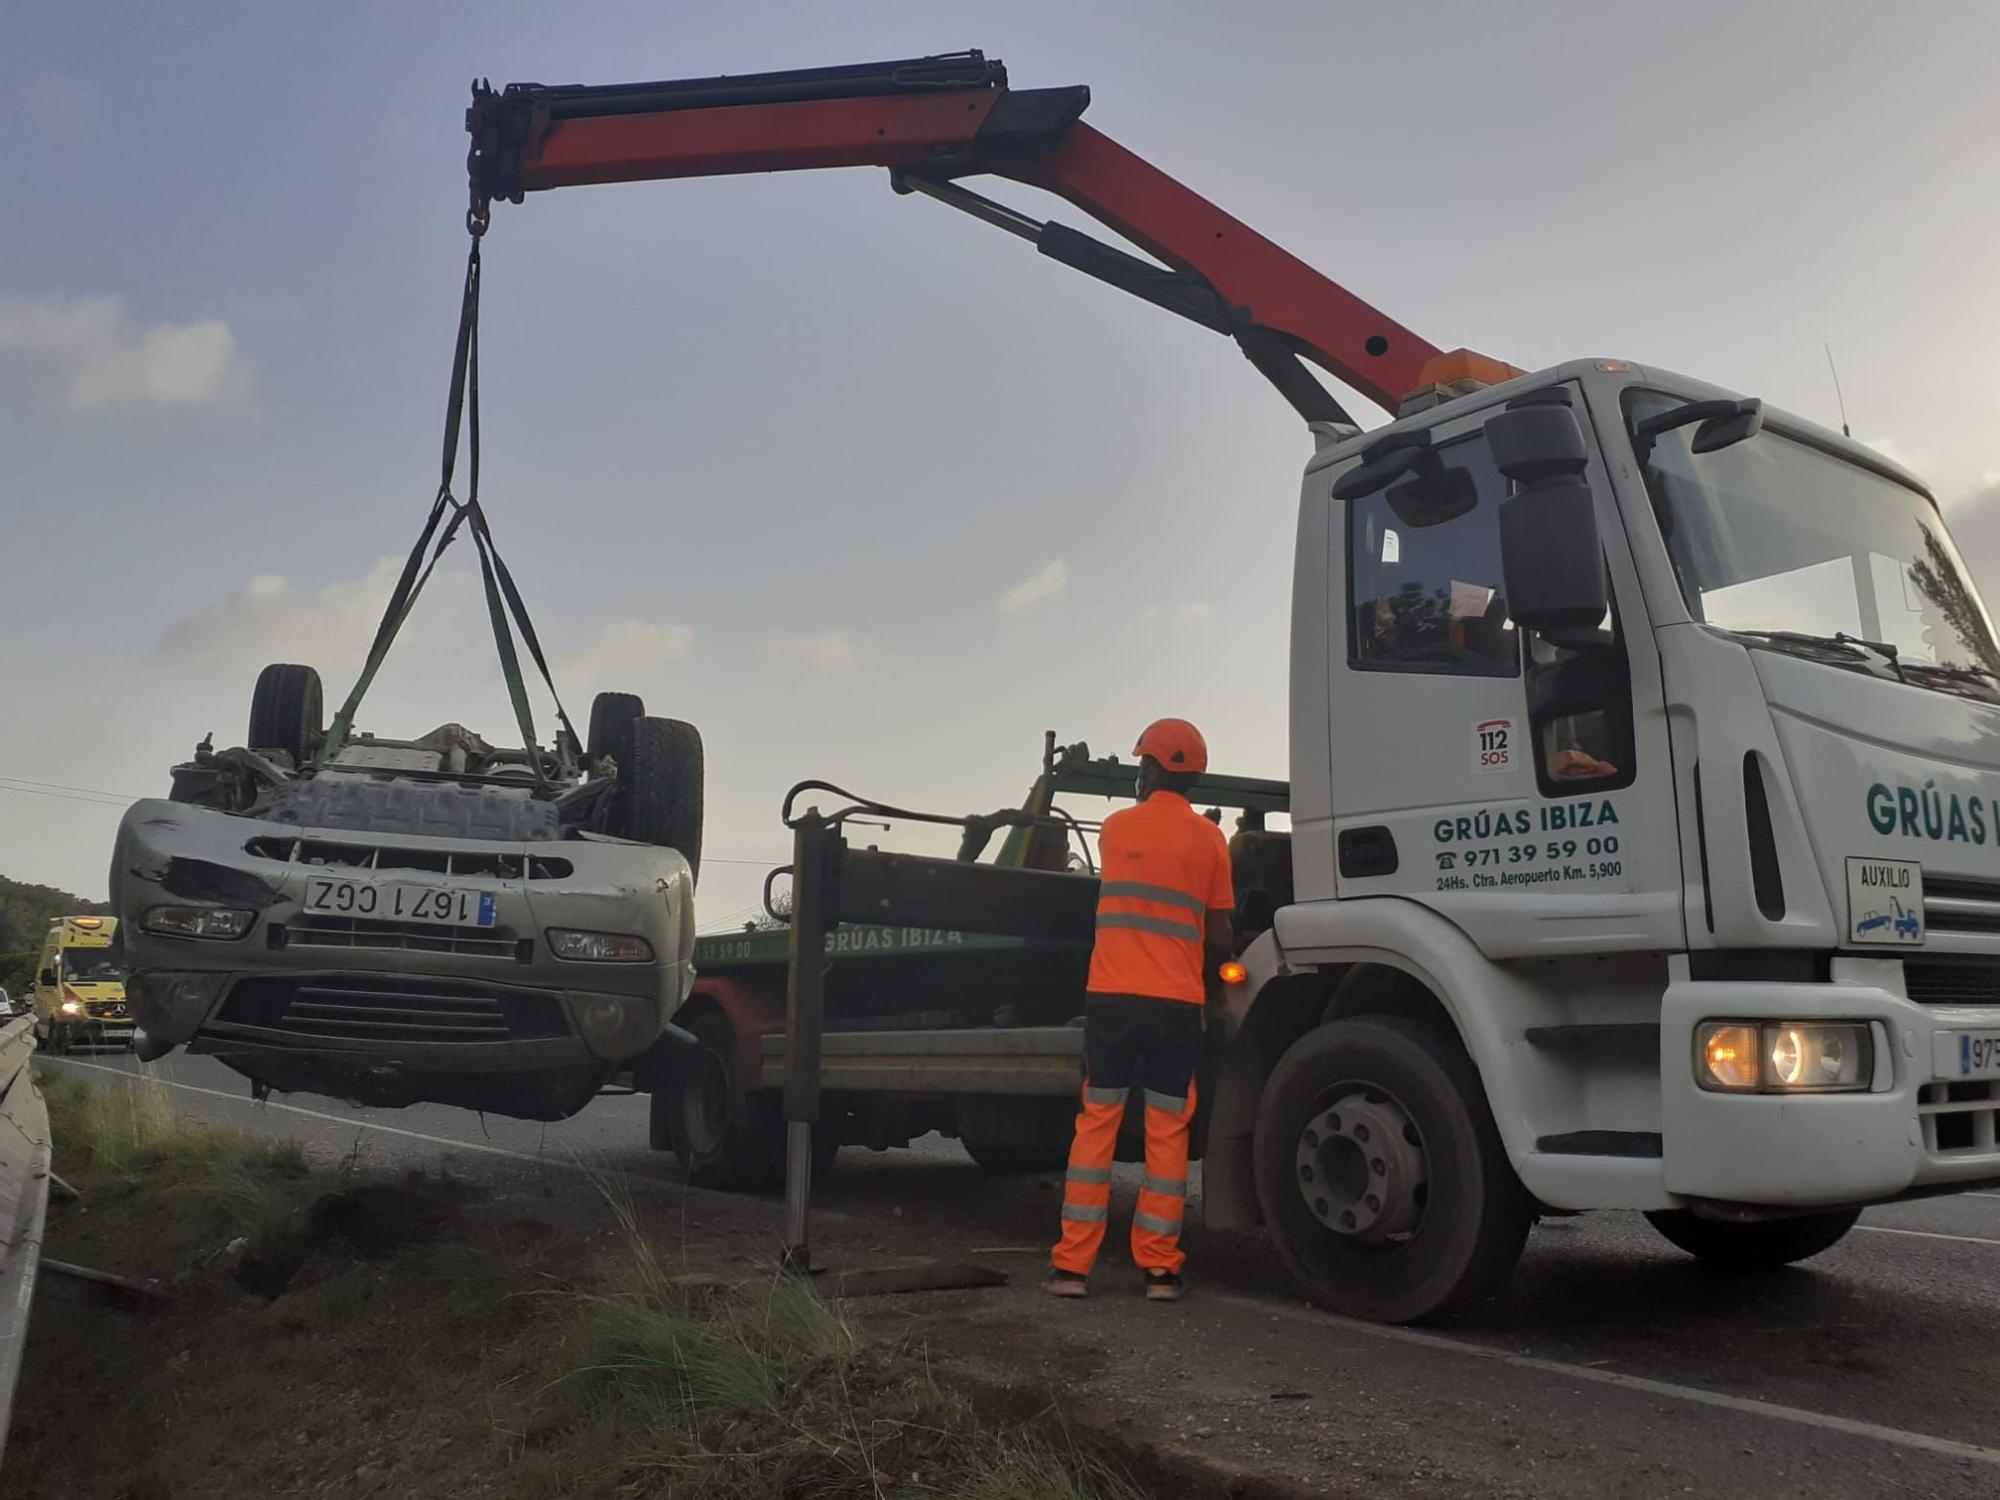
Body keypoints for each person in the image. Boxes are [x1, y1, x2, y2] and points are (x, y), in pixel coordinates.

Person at [1047, 717, 1234, 1302]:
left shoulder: (1115, 827)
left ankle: (1073, 1268)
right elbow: (1222, 934)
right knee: (1167, 1132)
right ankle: (1159, 1268)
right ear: (1194, 779)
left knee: (1097, 1123)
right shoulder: (1211, 840)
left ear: (1150, 769)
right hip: (1176, 1005)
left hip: (1111, 1000)